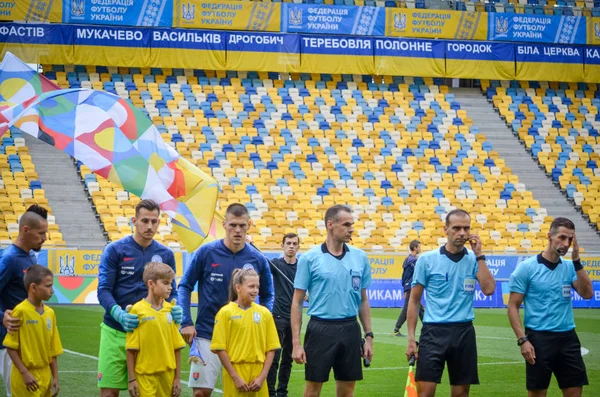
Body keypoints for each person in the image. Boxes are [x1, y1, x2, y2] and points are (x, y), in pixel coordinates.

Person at [178, 203, 275, 397]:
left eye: (242, 225)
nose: (237, 230)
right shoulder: (206, 253)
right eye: (233, 225)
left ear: (249, 225)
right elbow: (184, 286)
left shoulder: (257, 258)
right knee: (201, 393)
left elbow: (268, 294)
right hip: (207, 333)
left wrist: (263, 321)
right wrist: (186, 321)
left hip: (244, 338)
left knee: (244, 392)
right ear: (224, 224)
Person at [405, 209, 496, 397]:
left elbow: (489, 290)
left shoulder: (474, 259)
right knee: (425, 393)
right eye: (456, 228)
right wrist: (411, 339)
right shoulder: (427, 260)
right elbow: (414, 301)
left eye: (466, 228)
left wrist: (480, 255)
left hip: (464, 332)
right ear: (445, 229)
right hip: (433, 332)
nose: (462, 233)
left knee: (461, 394)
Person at [97, 199, 182, 397]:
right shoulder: (115, 250)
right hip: (116, 331)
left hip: (151, 335)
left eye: (154, 221)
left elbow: (174, 291)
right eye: (145, 221)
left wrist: (177, 308)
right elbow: (103, 290)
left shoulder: (166, 254)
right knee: (109, 393)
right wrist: (118, 314)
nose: (149, 226)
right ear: (134, 220)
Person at [291, 204, 373, 397]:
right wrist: (296, 343)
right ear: (330, 224)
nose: (351, 229)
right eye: (346, 224)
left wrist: (369, 336)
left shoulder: (360, 257)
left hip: (350, 328)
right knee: (312, 391)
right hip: (320, 329)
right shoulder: (309, 258)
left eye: (352, 224)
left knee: (347, 391)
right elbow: (296, 302)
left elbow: (363, 300)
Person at [507, 217, 593, 397]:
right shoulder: (527, 268)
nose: (566, 243)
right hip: (539, 339)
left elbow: (587, 294)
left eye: (570, 239)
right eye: (562, 237)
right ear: (549, 236)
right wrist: (523, 340)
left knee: (574, 392)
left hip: (568, 338)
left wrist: (577, 261)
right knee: (538, 393)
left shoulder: (570, 267)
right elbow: (513, 306)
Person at [0, 204, 48, 397]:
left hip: (28, 340)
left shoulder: (30, 258)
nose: (45, 238)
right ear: (26, 230)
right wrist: (2, 316)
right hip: (11, 343)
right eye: (41, 233)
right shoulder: (9, 259)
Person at [211, 268, 281, 397]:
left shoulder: (264, 313)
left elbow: (271, 348)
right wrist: (235, 377)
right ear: (238, 287)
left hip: (258, 373)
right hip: (235, 372)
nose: (255, 290)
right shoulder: (225, 313)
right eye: (251, 286)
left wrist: (262, 377)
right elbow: (220, 348)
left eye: (257, 287)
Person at [126, 262, 186, 397]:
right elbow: (131, 349)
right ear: (151, 284)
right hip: (145, 375)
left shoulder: (171, 310)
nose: (170, 288)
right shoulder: (136, 311)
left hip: (168, 375)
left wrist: (177, 378)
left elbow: (176, 347)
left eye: (171, 284)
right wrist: (131, 379)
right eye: (165, 283)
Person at [3, 265, 62, 397]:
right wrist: (25, 373)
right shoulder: (20, 311)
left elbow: (53, 350)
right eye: (48, 286)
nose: (51, 290)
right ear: (33, 287)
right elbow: (11, 347)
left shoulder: (50, 313)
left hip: (45, 375)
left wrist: (56, 377)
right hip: (25, 376)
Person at [267, 233, 300, 397]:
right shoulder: (276, 264)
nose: (291, 246)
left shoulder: (302, 267)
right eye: (288, 243)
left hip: (295, 318)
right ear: (282, 246)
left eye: (294, 244)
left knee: (288, 359)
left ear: (298, 247)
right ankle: (270, 392)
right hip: (278, 316)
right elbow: (260, 263)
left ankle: (282, 392)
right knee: (274, 357)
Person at [393, 240, 424, 337]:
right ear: (415, 248)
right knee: (409, 308)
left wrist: (404, 287)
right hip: (411, 286)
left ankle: (428, 327)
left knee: (419, 308)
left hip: (409, 286)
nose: (420, 248)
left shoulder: (407, 260)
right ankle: (396, 329)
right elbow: (413, 275)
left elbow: (404, 276)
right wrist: (406, 288)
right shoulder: (414, 261)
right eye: (419, 246)